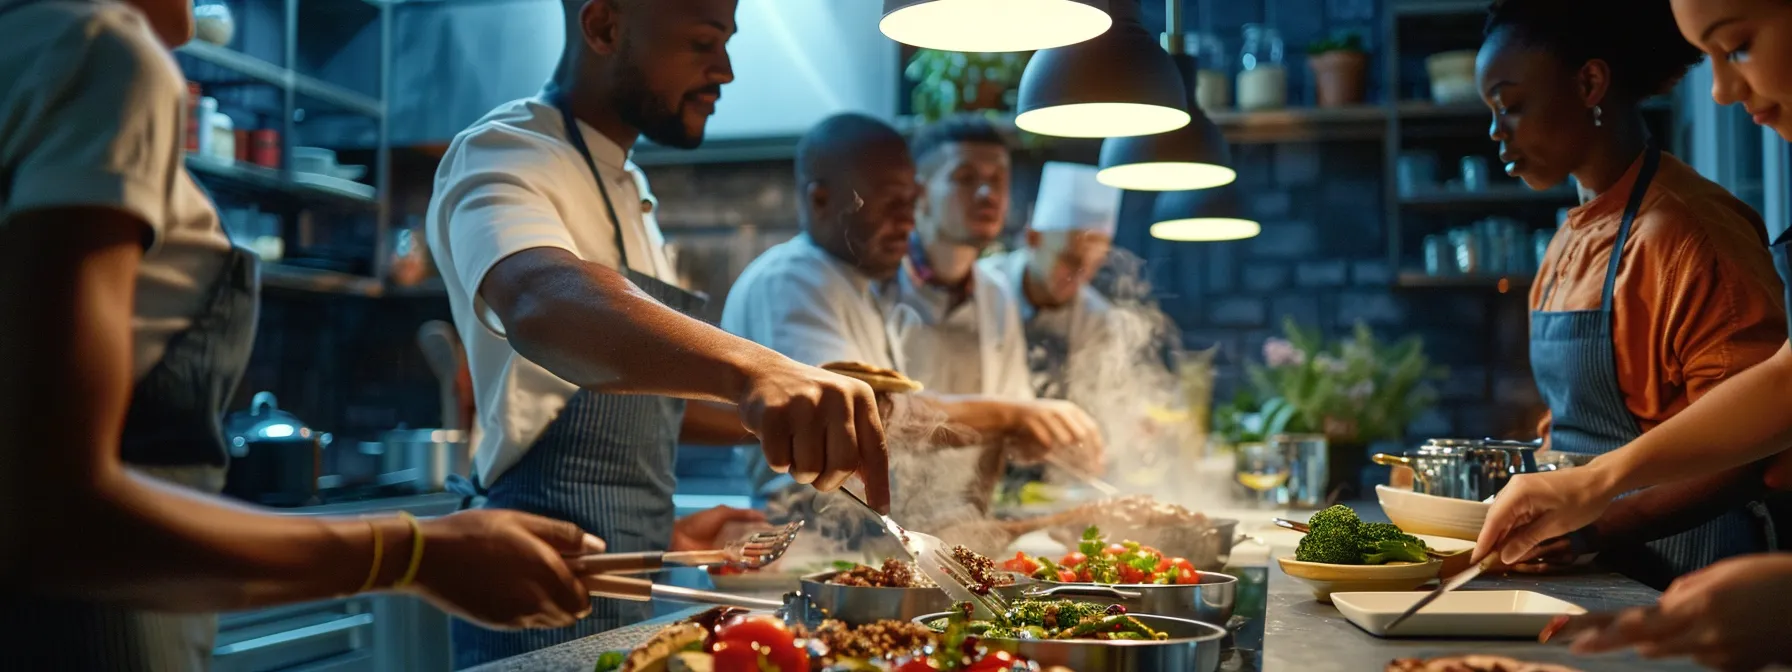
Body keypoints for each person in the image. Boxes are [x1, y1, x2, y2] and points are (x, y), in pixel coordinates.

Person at [0, 0, 623, 666]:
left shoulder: (28, 47)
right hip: (91, 635)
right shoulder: (101, 49)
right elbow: (52, 509)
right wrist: (416, 552)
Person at [423, 0, 889, 666]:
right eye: (704, 42)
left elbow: (643, 394)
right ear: (605, 27)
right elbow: (541, 300)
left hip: (625, 581)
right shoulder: (503, 153)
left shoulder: (631, 188)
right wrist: (757, 369)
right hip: (531, 587)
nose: (725, 70)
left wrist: (807, 411)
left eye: (727, 42)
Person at [1475, 1, 1792, 668]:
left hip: (1695, 568)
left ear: (1590, 85)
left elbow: (1761, 440)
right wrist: (1570, 489)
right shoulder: (1571, 235)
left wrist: (1601, 512)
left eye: (1734, 47)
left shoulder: (1686, 227)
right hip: (1601, 565)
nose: (1722, 91)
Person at [721, 113, 1101, 538]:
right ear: (821, 200)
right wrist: (1011, 415)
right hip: (809, 541)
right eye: (890, 202)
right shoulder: (790, 280)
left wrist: (1030, 433)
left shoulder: (857, 285)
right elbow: (865, 412)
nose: (908, 219)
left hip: (870, 542)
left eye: (911, 200)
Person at [980, 161, 1119, 403]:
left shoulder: (1097, 320)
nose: (1081, 276)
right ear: (1033, 238)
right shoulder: (979, 288)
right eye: (1070, 260)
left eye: (1093, 264)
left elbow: (1102, 402)